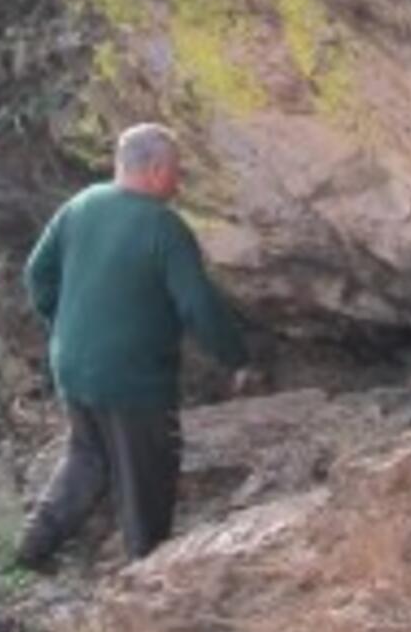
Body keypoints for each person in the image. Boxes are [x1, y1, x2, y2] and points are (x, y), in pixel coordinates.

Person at [14, 123, 250, 569]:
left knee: (88, 457)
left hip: (72, 365)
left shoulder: (79, 206)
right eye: (177, 172)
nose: (179, 183)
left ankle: (33, 545)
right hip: (133, 379)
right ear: (157, 169)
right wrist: (235, 357)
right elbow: (198, 303)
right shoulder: (163, 227)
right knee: (147, 475)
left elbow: (35, 275)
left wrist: (63, 324)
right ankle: (146, 571)